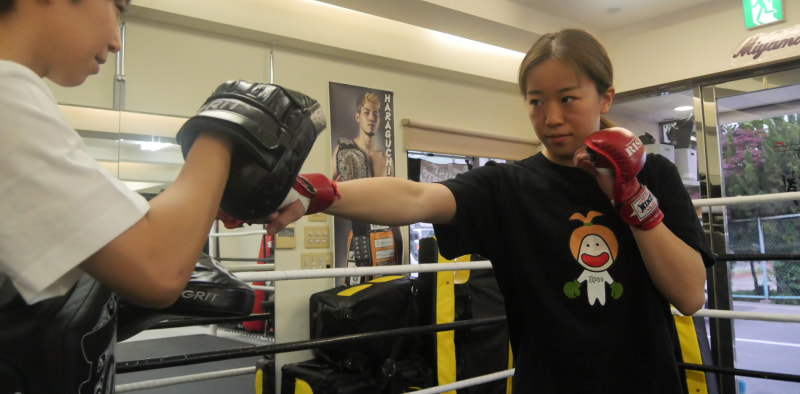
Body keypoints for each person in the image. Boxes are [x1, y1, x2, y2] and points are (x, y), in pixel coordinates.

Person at [281, 29, 715, 393]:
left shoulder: (653, 174)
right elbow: (416, 198)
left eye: (568, 99)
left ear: (606, 98)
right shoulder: (508, 186)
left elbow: (690, 295)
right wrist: (317, 193)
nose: (551, 117)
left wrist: (632, 198)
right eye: (536, 101)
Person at [0, 0, 303, 391]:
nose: (117, 40)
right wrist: (223, 131)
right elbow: (161, 271)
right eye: (117, 7)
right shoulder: (7, 99)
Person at [332, 91, 401, 284]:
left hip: (385, 239)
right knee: (356, 292)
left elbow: (394, 200)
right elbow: (327, 189)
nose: (371, 118)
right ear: (358, 116)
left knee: (385, 290)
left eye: (376, 113)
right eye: (366, 112)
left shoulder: (386, 159)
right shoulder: (343, 151)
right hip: (356, 236)